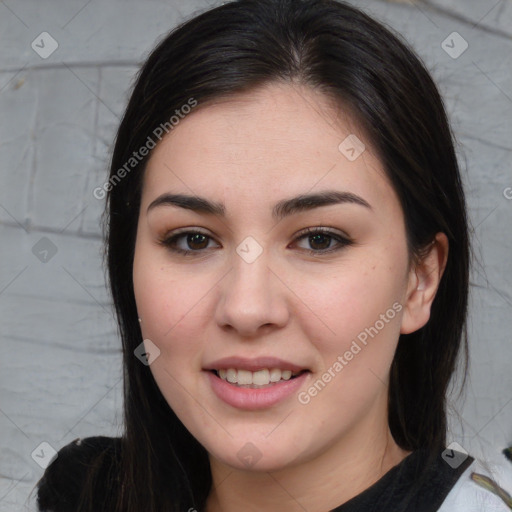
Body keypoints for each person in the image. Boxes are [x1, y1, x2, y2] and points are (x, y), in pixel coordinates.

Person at [35, 0, 512, 511]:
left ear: (420, 279)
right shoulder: (86, 496)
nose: (246, 308)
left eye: (319, 239)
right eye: (193, 239)